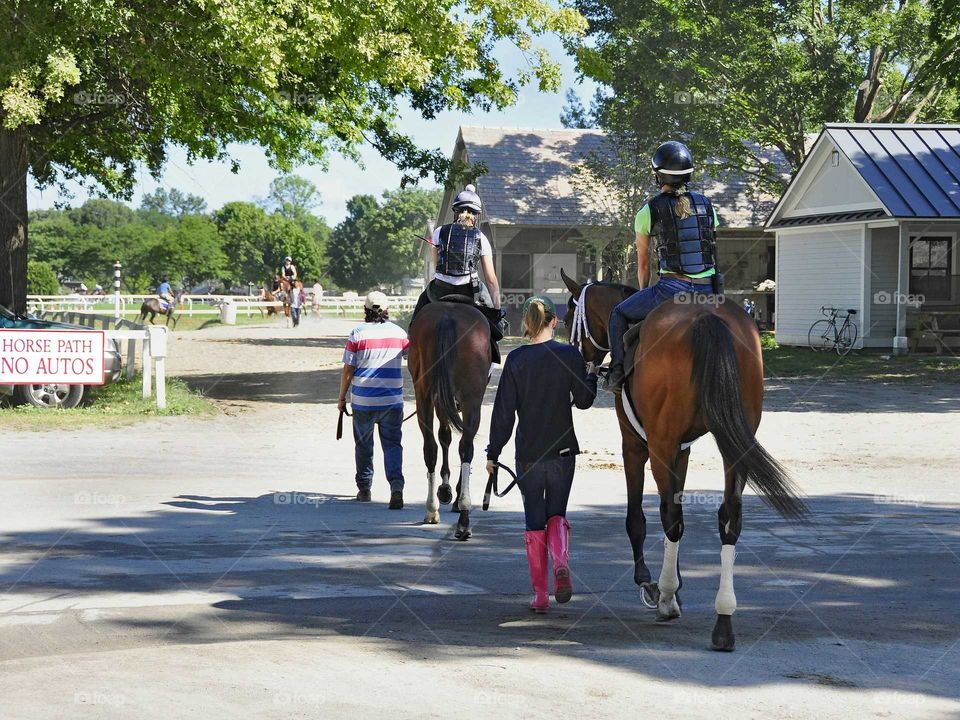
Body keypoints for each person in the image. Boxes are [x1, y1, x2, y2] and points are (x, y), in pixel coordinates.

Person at [485, 295, 599, 613]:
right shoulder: (569, 354)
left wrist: (493, 453)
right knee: (557, 514)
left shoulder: (517, 360)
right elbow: (585, 399)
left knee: (533, 520)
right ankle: (560, 561)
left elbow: (504, 413)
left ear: (527, 323)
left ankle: (539, 595)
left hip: (529, 453)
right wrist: (590, 372)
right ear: (553, 321)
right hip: (563, 450)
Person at [606, 140, 721, 392]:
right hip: (708, 292)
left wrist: (643, 291)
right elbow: (710, 249)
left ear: (659, 176)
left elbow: (644, 265)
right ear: (688, 174)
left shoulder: (648, 211)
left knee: (618, 313)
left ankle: (615, 372)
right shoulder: (707, 206)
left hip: (671, 290)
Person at [410, 184, 506, 362]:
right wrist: (497, 310)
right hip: (469, 291)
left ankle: (411, 347)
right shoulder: (482, 239)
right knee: (494, 327)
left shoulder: (439, 232)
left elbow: (436, 265)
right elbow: (491, 280)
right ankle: (492, 353)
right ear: (476, 215)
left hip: (440, 289)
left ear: (456, 212)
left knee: (416, 319)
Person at [338, 291, 409, 509]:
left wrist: (342, 398)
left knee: (363, 445)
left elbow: (348, 370)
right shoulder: (399, 333)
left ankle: (364, 488)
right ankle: (396, 487)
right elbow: (415, 362)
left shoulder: (357, 334)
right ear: (386, 310)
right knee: (393, 445)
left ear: (366, 311)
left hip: (363, 402)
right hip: (392, 401)